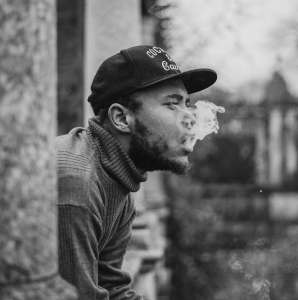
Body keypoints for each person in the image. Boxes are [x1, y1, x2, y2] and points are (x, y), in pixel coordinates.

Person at [55, 45, 217, 299]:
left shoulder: (117, 181)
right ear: (121, 118)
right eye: (172, 105)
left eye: (187, 104)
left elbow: (111, 287)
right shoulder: (78, 183)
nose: (191, 119)